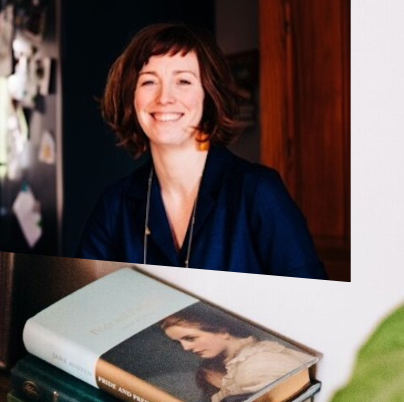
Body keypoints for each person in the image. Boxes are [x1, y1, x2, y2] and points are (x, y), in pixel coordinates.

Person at [77, 23, 327, 279]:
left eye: (183, 81)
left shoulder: (259, 192)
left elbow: (314, 308)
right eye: (149, 81)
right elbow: (81, 309)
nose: (165, 97)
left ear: (209, 95)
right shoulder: (114, 207)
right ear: (131, 96)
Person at [159, 310, 313, 402]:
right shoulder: (232, 367)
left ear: (223, 331)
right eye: (179, 342)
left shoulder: (259, 364)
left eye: (190, 338)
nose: (186, 348)